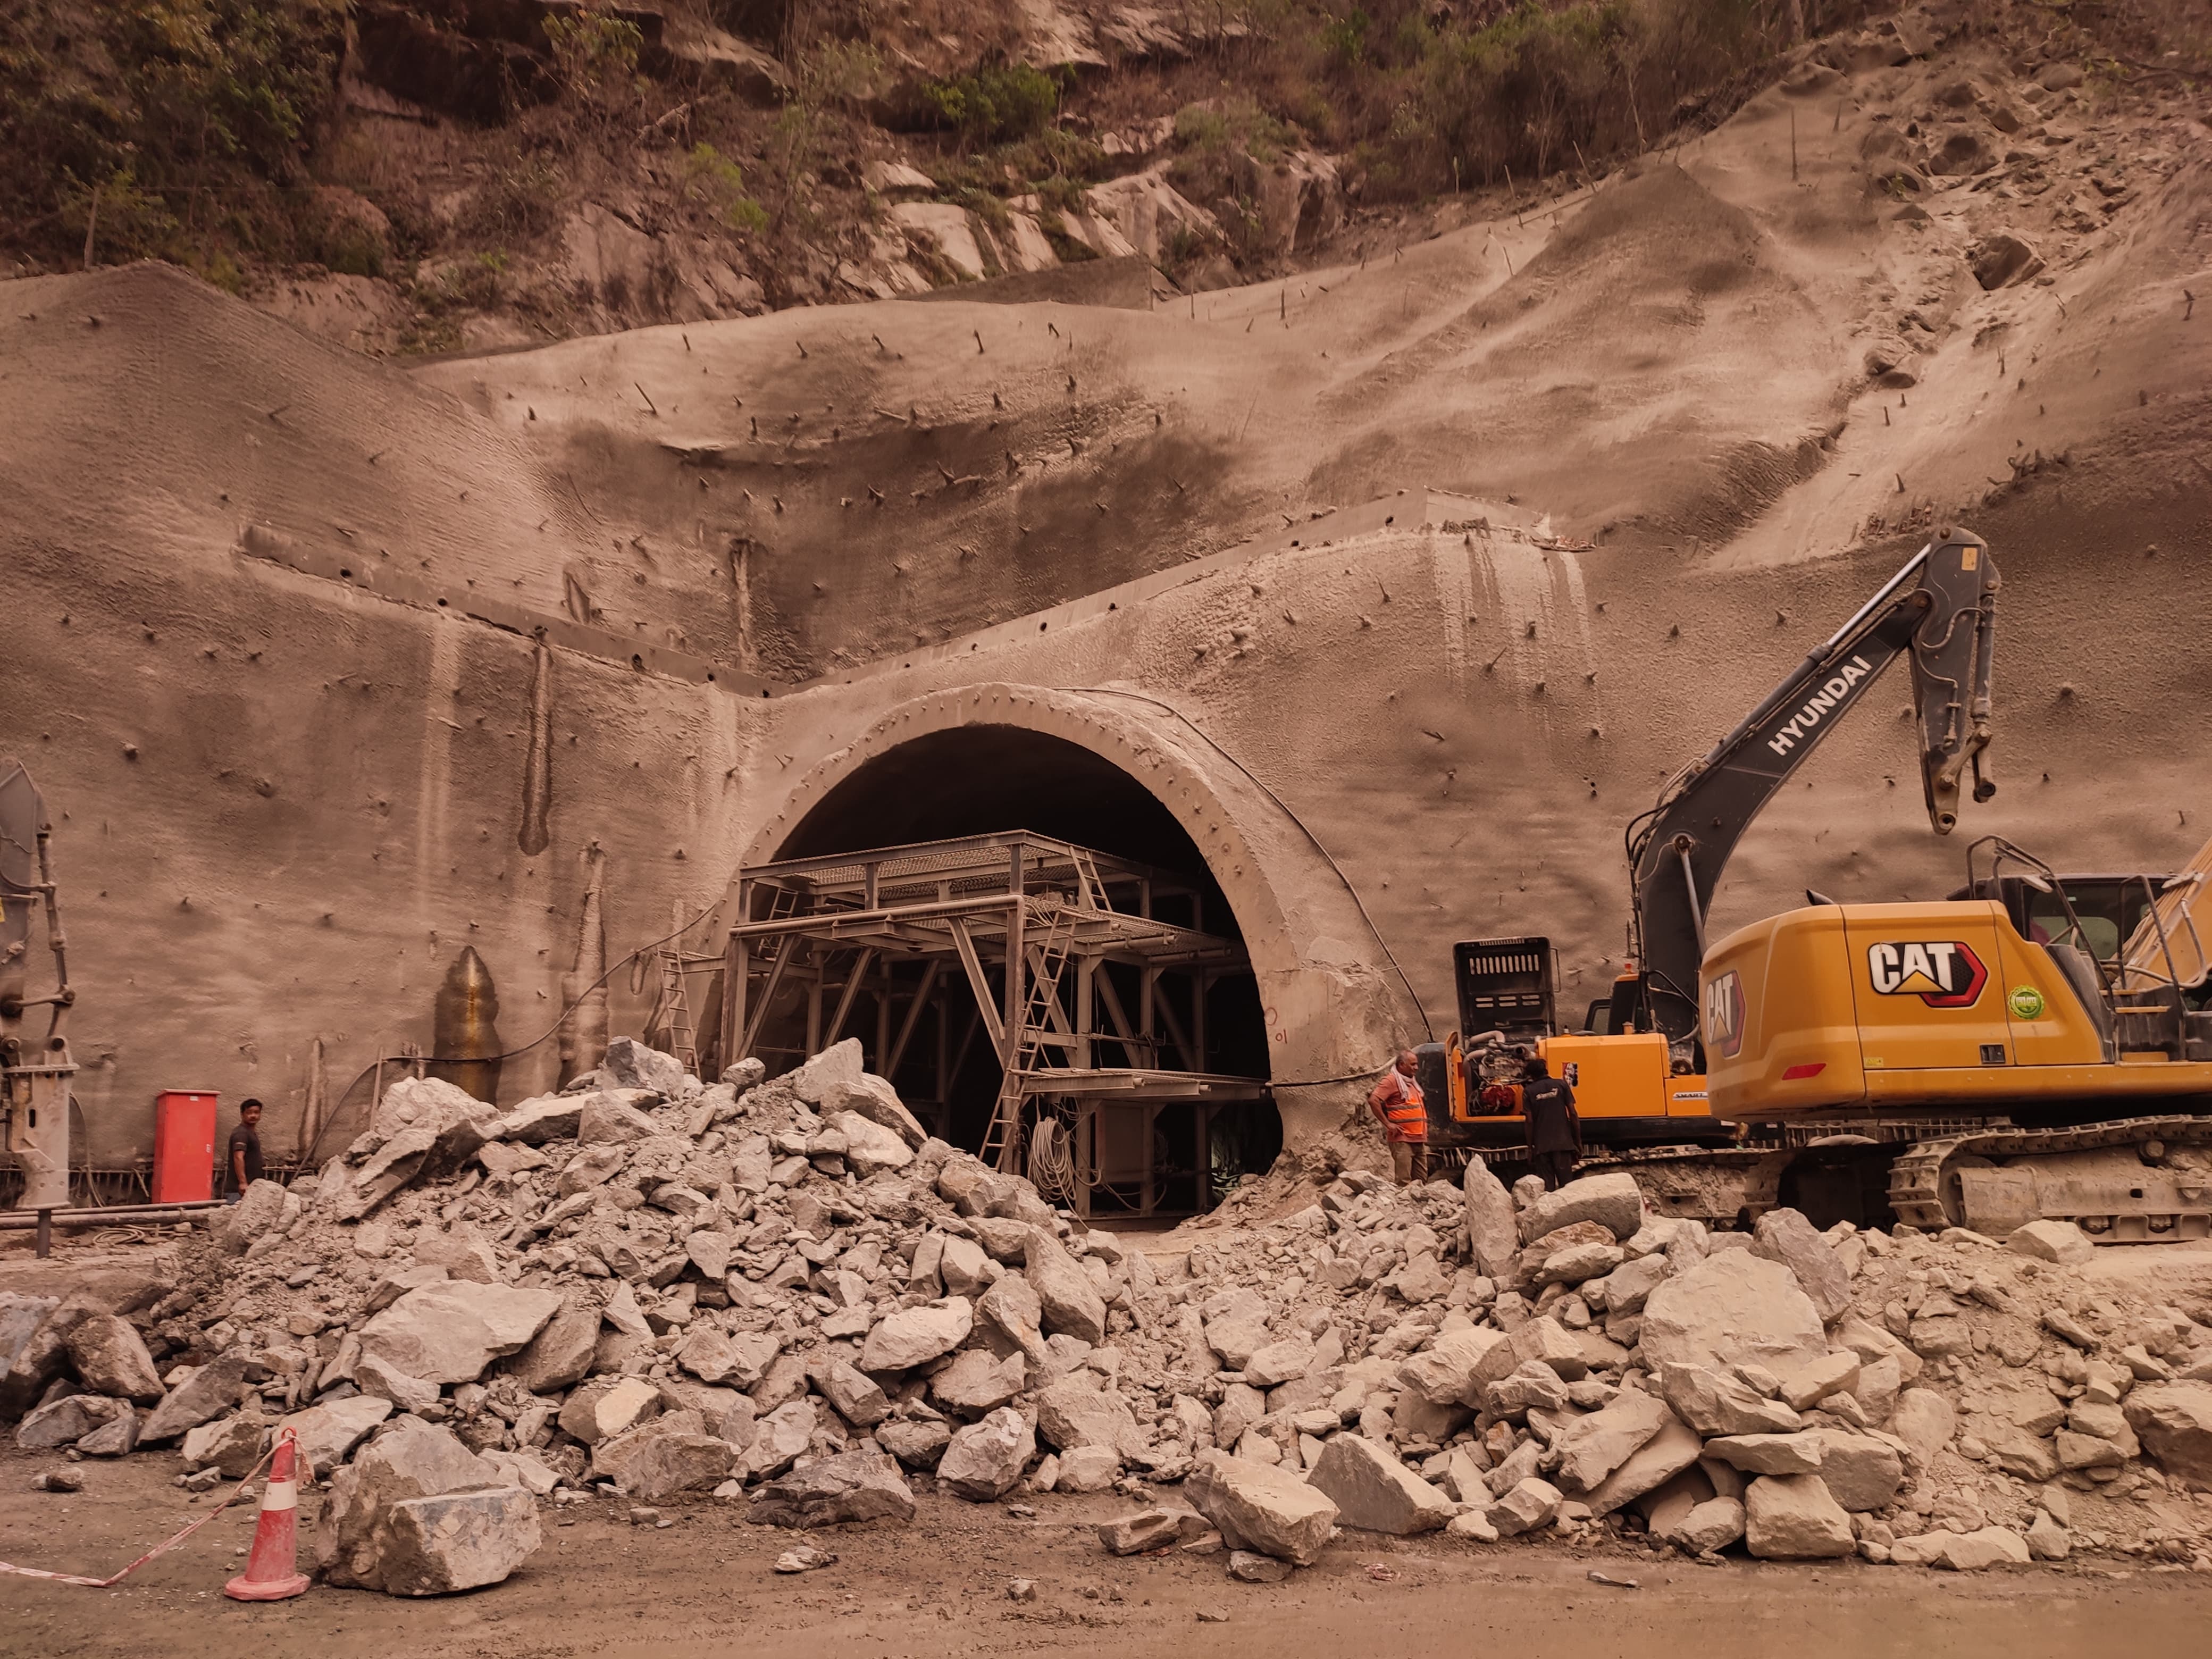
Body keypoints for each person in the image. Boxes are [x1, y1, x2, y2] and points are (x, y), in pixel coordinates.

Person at [1367, 1049, 1429, 1185]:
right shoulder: (1392, 1081)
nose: (1417, 1068)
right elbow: (1373, 1100)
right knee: (1404, 1182)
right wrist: (1388, 1124)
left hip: (1418, 1139)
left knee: (1421, 1181)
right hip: (1403, 1140)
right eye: (1413, 1065)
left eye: (1417, 1064)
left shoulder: (1411, 1082)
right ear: (1401, 1065)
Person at [1520, 1057, 1581, 1191]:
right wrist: (1577, 1142)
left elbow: (1529, 1121)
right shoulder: (1562, 1085)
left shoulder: (1528, 1092)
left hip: (1542, 1148)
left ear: (1531, 1075)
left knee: (1548, 1191)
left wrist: (1530, 1148)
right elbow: (1573, 1114)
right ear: (1545, 1070)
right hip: (1563, 1145)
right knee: (1567, 1188)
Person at [224, 1099, 265, 1201]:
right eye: (249, 1112)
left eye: (256, 1112)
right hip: (239, 1191)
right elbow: (238, 1157)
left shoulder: (250, 1133)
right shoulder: (241, 1134)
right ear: (242, 1115)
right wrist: (243, 1182)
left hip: (250, 1188)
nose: (253, 1116)